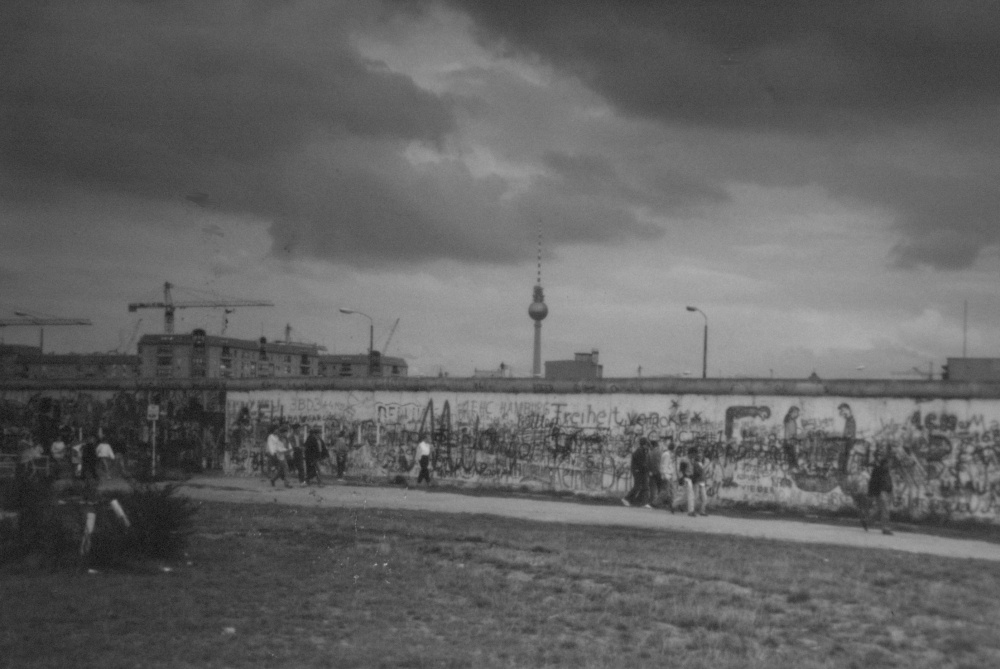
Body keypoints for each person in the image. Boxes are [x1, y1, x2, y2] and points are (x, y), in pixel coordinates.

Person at [862, 448, 894, 535]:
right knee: (886, 510)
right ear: (885, 464)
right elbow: (873, 482)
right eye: (888, 463)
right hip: (881, 492)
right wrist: (872, 493)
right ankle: (885, 528)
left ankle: (867, 522)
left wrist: (890, 491)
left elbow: (889, 482)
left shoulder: (886, 472)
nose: (890, 464)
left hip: (885, 492)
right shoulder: (879, 471)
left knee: (880, 510)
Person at [623, 438, 651, 508]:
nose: (647, 445)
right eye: (646, 444)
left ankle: (642, 502)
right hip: (638, 471)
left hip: (639, 471)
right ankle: (626, 499)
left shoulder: (642, 450)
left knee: (644, 486)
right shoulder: (640, 451)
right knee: (638, 486)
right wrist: (647, 470)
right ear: (644, 444)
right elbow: (642, 463)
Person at [690, 448, 708, 516]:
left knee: (704, 497)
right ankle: (692, 510)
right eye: (699, 456)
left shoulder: (701, 463)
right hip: (697, 481)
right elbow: (697, 473)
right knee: (695, 497)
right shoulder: (695, 464)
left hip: (702, 482)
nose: (700, 457)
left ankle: (702, 511)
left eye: (701, 456)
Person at [647, 438, 664, 508]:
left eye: (650, 445)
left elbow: (654, 463)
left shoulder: (652, 452)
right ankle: (659, 503)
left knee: (653, 488)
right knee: (660, 488)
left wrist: (653, 471)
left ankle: (654, 503)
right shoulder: (660, 451)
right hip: (659, 472)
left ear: (652, 445)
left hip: (654, 472)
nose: (649, 447)